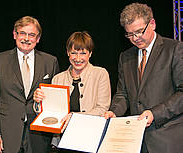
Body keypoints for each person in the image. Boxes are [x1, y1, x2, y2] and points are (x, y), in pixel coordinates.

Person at [104, 2, 183, 153]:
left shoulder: (175, 49)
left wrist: (155, 113)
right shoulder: (125, 57)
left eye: (140, 31)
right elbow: (123, 94)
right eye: (130, 34)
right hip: (136, 141)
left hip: (167, 139)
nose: (135, 38)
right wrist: (114, 111)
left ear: (152, 24)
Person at [0, 16, 59, 153]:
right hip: (7, 135)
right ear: (15, 35)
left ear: (38, 39)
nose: (26, 38)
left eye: (32, 35)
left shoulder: (50, 62)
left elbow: (55, 100)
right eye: (22, 33)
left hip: (39, 135)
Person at [33, 31, 111, 152]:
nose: (78, 58)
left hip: (91, 140)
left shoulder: (100, 74)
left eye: (83, 53)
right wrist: (38, 102)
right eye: (74, 53)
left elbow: (102, 110)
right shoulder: (58, 78)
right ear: (68, 53)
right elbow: (50, 112)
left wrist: (74, 117)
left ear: (90, 54)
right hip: (64, 142)